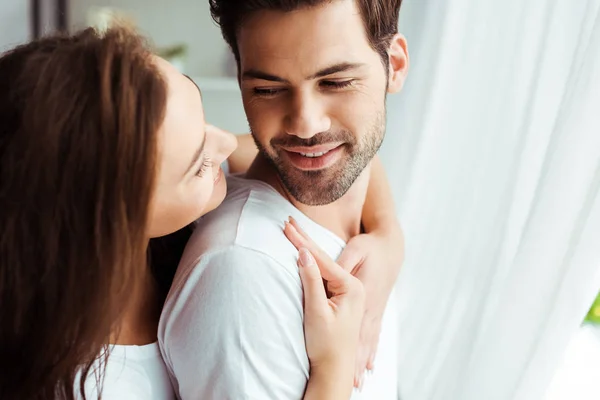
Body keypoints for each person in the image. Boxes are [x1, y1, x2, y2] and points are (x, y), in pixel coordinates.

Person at [0, 26, 400, 400]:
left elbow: (332, 155)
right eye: (198, 163)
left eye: (204, 123)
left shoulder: (180, 177)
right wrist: (332, 371)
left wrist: (386, 238)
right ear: (116, 222)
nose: (227, 144)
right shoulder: (90, 386)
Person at [158, 0, 408, 399]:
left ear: (394, 66)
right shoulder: (243, 272)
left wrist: (388, 233)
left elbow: (366, 159)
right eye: (269, 89)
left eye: (336, 82)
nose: (306, 125)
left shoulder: (361, 227)